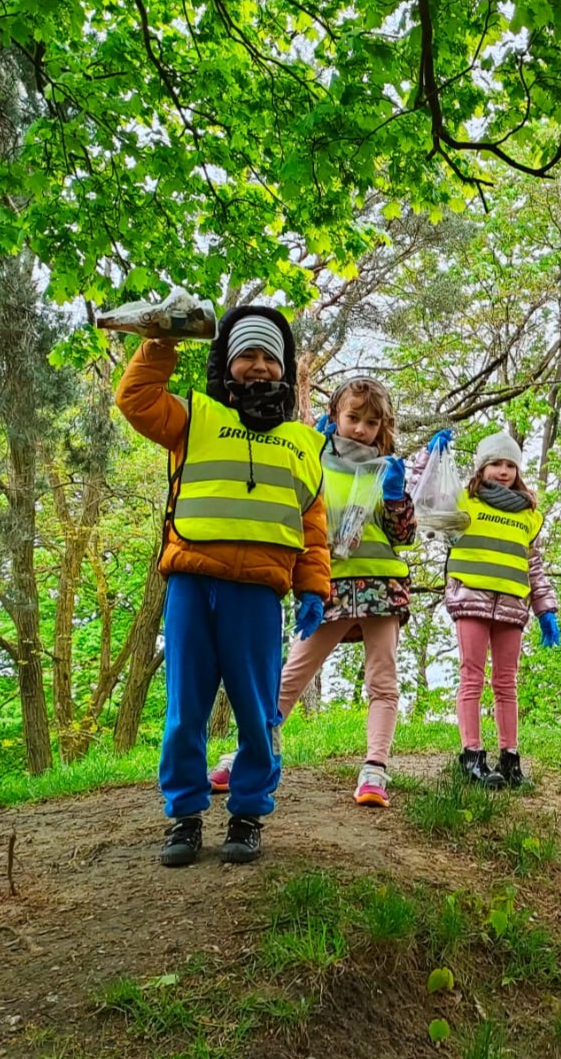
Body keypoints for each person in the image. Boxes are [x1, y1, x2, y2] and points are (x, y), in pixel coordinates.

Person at [116, 304, 330, 866]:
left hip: (259, 593)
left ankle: (247, 813)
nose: (257, 367)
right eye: (245, 356)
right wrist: (160, 344)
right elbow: (135, 401)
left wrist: (315, 587)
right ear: (227, 363)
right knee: (186, 707)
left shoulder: (305, 443)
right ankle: (184, 818)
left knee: (257, 709)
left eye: (267, 357)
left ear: (283, 368)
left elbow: (312, 523)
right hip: (192, 582)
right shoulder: (197, 417)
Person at [271, 379, 416, 807]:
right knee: (291, 673)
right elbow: (295, 510)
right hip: (327, 584)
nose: (360, 429)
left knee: (383, 681)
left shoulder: (386, 466)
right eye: (353, 418)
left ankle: (375, 769)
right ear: (335, 415)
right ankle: (252, 750)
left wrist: (395, 499)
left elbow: (403, 536)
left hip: (381, 586)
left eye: (371, 422)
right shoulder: (313, 457)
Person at [435, 429, 559, 789]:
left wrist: (545, 608)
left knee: (507, 682)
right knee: (471, 677)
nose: (503, 471)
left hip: (511, 605)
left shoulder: (528, 516)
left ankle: (511, 758)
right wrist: (433, 458)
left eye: (510, 465)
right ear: (481, 467)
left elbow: (532, 564)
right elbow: (427, 503)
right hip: (471, 598)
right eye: (495, 463)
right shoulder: (465, 503)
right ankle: (472, 756)